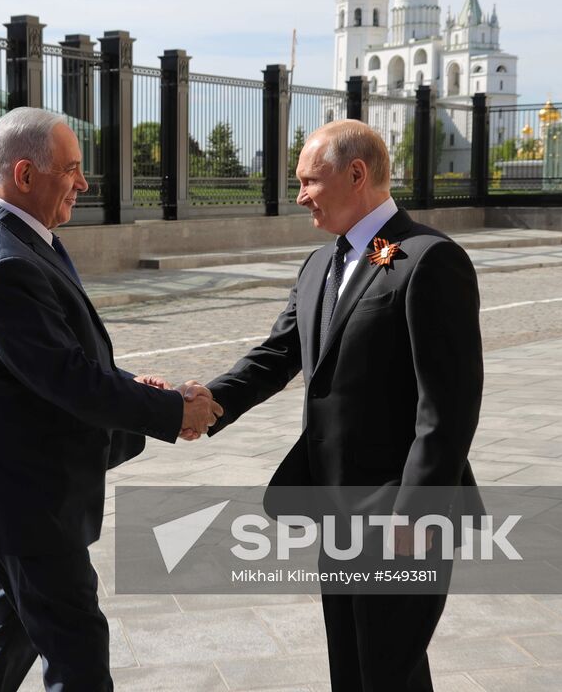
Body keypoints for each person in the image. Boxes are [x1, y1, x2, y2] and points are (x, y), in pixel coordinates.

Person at [0, 107, 222, 691]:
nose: (83, 184)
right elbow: (65, 380)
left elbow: (59, 362)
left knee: (13, 634)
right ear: (26, 174)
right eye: (72, 170)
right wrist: (169, 412)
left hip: (19, 491)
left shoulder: (16, 238)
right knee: (78, 652)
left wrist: (136, 388)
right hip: (27, 497)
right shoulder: (6, 261)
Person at [181, 119, 483, 692]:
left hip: (398, 515)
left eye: (309, 181)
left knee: (388, 669)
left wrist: (415, 514)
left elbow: (448, 407)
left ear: (356, 174)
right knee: (353, 666)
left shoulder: (428, 259)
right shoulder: (322, 264)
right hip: (337, 510)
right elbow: (277, 355)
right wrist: (206, 401)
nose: (300, 197)